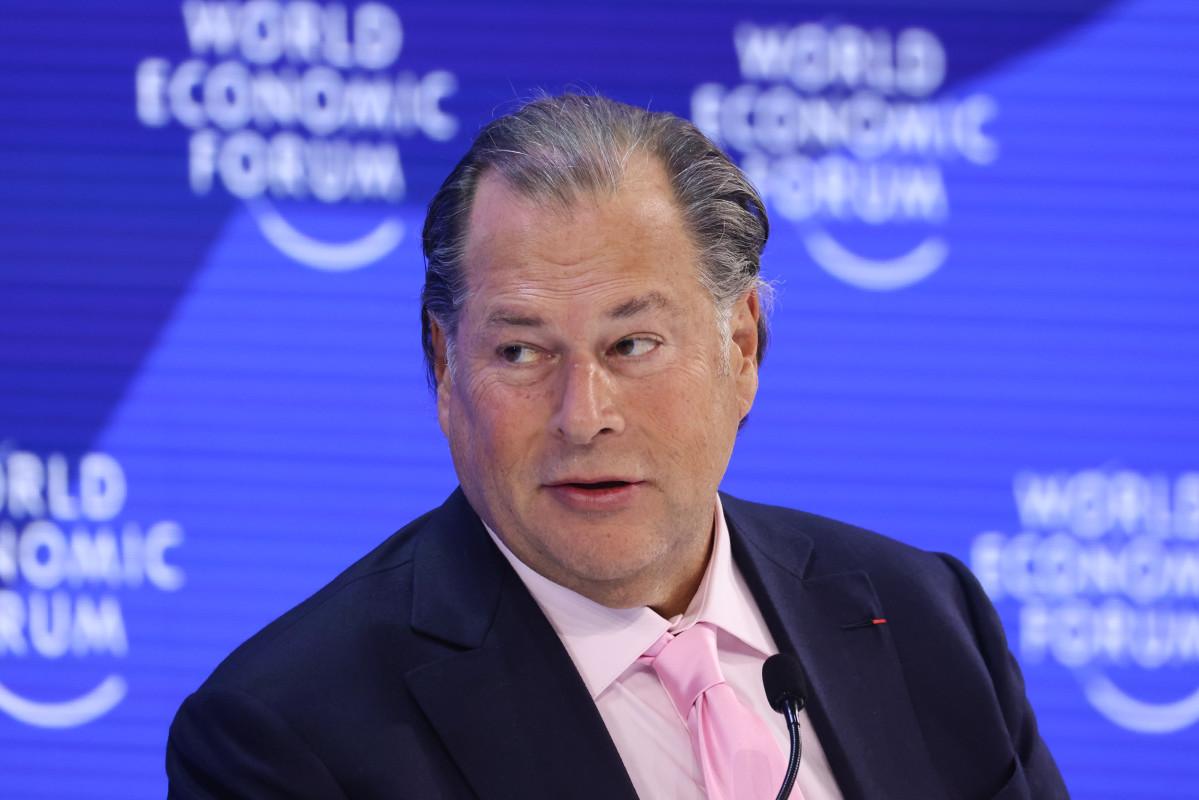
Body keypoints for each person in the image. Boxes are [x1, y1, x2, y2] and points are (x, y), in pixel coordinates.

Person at [166, 94, 1069, 799]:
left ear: (740, 349)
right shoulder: (284, 734)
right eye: (520, 352)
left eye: (632, 344)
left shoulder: (926, 617)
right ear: (444, 368)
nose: (582, 415)